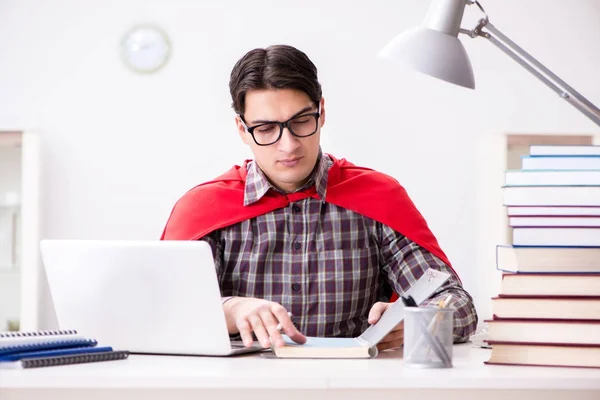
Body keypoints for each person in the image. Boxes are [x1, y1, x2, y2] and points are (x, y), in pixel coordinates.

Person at [161, 44, 478, 352]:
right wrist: (229, 310)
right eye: (266, 128)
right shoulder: (204, 209)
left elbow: (458, 305)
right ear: (242, 130)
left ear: (321, 112)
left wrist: (416, 321)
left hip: (353, 385)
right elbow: (162, 312)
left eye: (301, 122)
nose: (288, 145)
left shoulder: (378, 199)